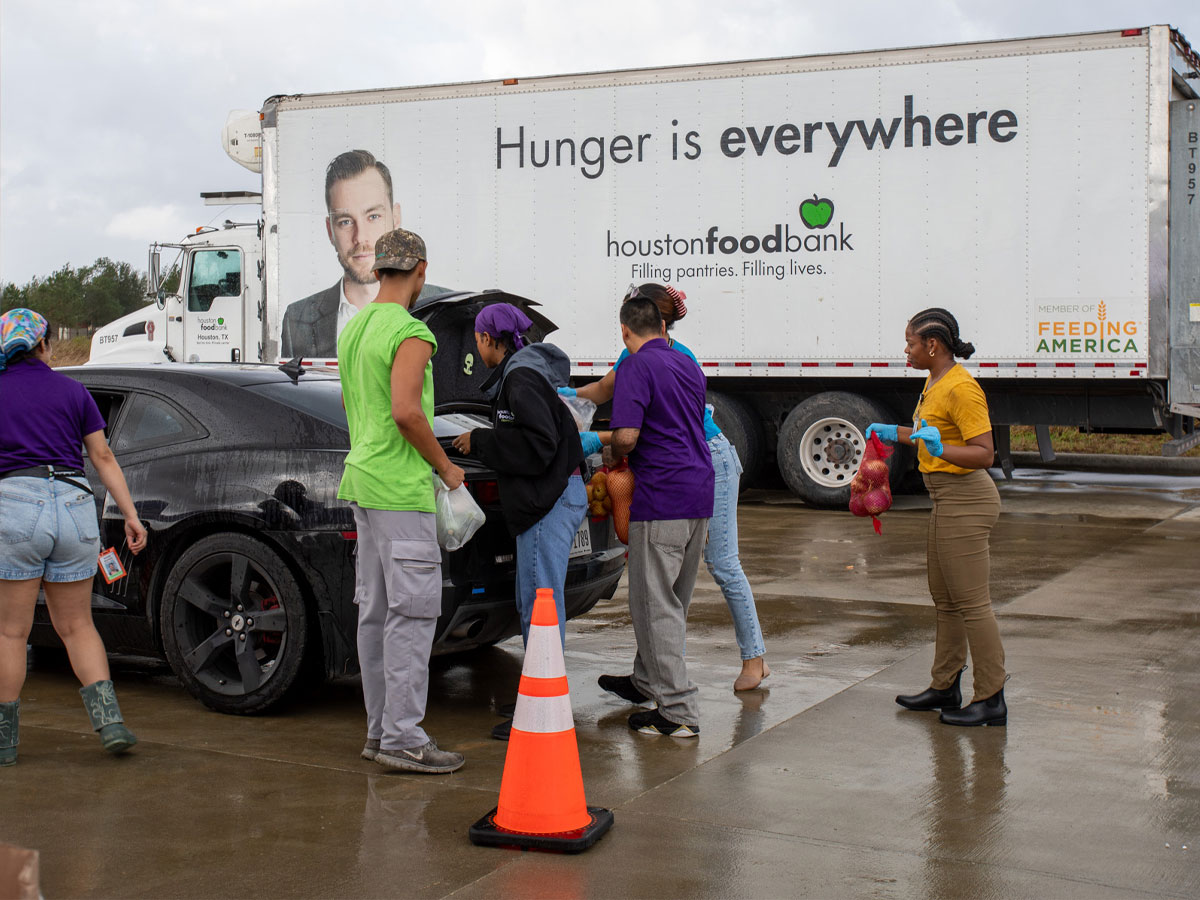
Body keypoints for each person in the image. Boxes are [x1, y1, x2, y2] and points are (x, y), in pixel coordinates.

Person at [563, 283, 769, 691]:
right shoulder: (637, 355)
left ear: (646, 319)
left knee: (720, 564)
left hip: (706, 456)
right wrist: (566, 398)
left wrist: (604, 444)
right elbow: (605, 390)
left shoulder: (676, 357)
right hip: (684, 459)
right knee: (664, 586)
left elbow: (645, 430)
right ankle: (650, 678)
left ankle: (754, 659)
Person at [337, 228, 466, 772]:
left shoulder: (355, 327)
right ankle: (405, 739)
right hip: (400, 488)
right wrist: (446, 466)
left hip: (363, 483)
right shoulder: (412, 332)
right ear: (419, 271)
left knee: (376, 614)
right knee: (412, 616)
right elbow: (408, 413)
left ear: (378, 270)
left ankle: (379, 732)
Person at [0, 308, 148, 766]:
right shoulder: (73, 390)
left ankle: (4, 743)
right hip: (75, 507)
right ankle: (110, 724)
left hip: (17, 507)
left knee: (10, 632)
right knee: (78, 626)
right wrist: (130, 515)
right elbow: (101, 456)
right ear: (44, 345)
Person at [450, 303, 588, 741]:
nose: (476, 345)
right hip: (558, 496)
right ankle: (540, 695)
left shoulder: (520, 377)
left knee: (540, 608)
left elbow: (540, 442)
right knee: (541, 604)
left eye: (477, 338)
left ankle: (542, 711)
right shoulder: (527, 370)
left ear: (490, 340)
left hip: (549, 502)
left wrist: (484, 440)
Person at [866, 307, 1007, 727]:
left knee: (973, 604)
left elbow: (985, 453)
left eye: (910, 343)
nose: (905, 350)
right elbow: (931, 434)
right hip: (944, 498)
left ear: (932, 345)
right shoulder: (935, 381)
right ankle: (945, 685)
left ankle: (992, 698)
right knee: (945, 600)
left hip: (967, 498)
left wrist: (941, 450)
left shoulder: (962, 388)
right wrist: (895, 433)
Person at [600, 295, 714, 738]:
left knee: (654, 605)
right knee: (674, 601)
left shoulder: (635, 366)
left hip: (662, 494)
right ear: (662, 328)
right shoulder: (685, 362)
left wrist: (605, 446)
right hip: (698, 492)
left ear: (625, 331)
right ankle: (648, 682)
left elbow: (628, 436)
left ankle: (679, 711)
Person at [281, 150, 448, 359]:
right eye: (345, 222)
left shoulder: (446, 310)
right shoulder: (296, 320)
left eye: (373, 216)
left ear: (396, 218)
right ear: (329, 230)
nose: (360, 238)